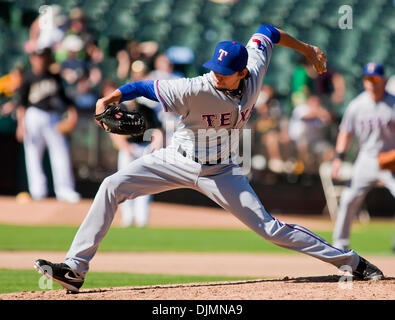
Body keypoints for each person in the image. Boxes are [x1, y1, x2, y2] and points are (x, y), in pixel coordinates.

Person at [34, 25, 384, 293]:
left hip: (222, 171)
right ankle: (75, 269)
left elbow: (268, 33)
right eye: (213, 67)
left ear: (242, 73)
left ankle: (352, 261)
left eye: (223, 71)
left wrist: (306, 49)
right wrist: (110, 97)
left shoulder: (254, 68)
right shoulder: (193, 88)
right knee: (112, 185)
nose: (215, 73)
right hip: (176, 159)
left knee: (270, 229)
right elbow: (141, 87)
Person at [331, 62, 395, 251]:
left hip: (391, 157)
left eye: (375, 78)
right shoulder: (357, 105)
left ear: (383, 80)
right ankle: (339, 245)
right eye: (368, 78)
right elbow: (345, 133)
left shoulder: (393, 103)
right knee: (349, 200)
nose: (371, 82)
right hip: (366, 159)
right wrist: (338, 159)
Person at [15, 48, 81, 203]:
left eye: (43, 57)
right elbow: (21, 104)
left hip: (53, 116)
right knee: (33, 155)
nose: (40, 60)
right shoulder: (28, 77)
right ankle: (38, 191)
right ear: (32, 59)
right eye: (37, 57)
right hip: (33, 115)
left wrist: (72, 113)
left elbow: (65, 98)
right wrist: (20, 124)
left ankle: (65, 190)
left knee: (61, 152)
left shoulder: (54, 76)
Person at [103, 80, 163, 227]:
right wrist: (124, 147)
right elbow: (112, 132)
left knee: (146, 184)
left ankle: (142, 219)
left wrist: (156, 144)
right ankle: (127, 218)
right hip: (128, 148)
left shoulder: (145, 109)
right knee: (123, 183)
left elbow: (157, 130)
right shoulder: (118, 110)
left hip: (145, 147)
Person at [288, 95, 334, 174]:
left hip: (315, 143)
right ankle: (302, 171)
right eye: (313, 102)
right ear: (309, 102)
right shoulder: (301, 109)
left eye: (317, 103)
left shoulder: (322, 111)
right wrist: (318, 113)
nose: (315, 104)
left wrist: (323, 114)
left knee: (329, 151)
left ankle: (324, 174)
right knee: (302, 144)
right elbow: (304, 117)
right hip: (297, 141)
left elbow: (328, 120)